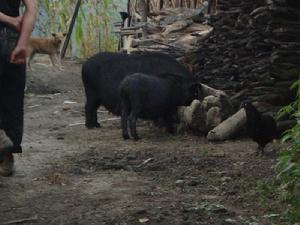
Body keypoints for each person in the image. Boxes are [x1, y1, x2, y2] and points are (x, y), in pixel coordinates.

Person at [0, 0, 37, 176]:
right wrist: (22, 44)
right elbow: (31, 10)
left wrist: (6, 19)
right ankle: (7, 156)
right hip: (14, 39)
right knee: (11, 99)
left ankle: (0, 139)